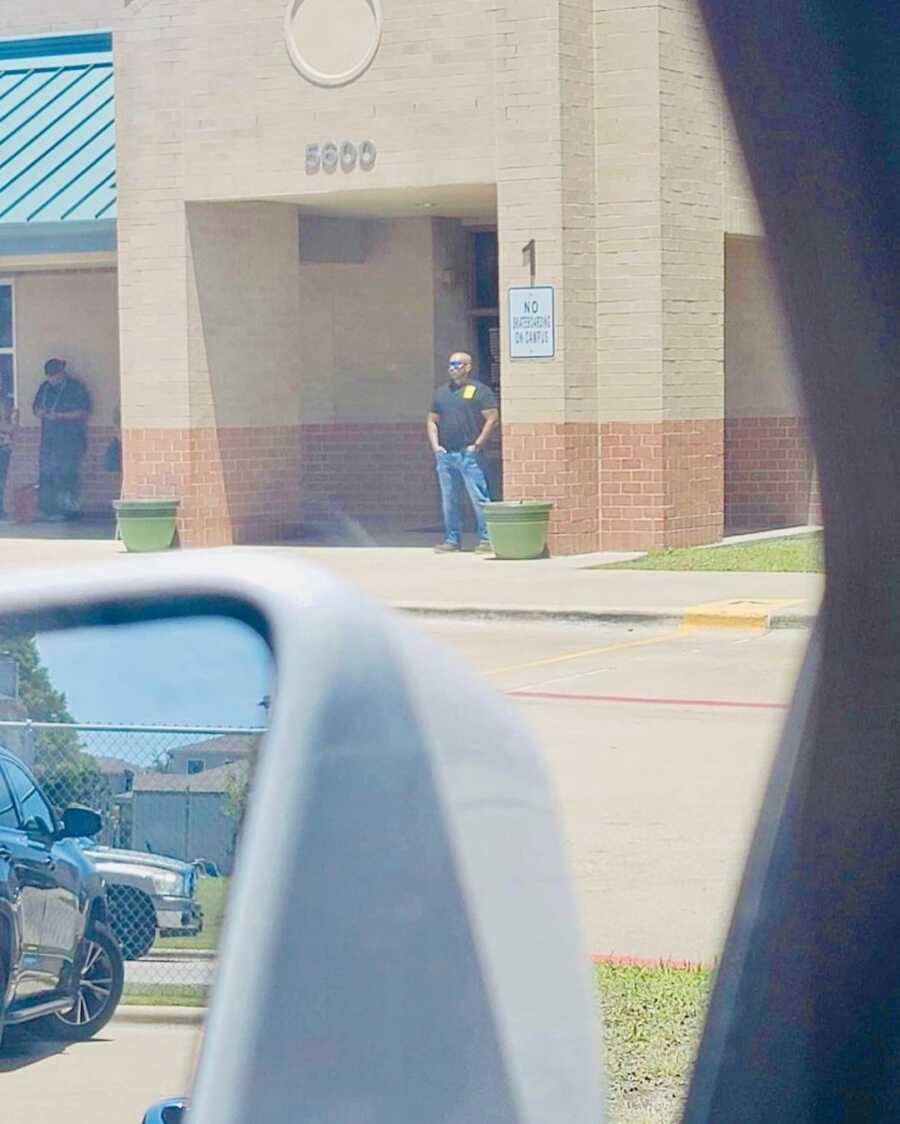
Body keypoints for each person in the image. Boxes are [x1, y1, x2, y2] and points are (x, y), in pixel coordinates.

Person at [426, 352, 499, 554]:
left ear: (468, 367)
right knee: (449, 499)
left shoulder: (479, 391)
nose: (453, 368)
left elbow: (492, 418)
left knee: (479, 497)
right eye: (450, 364)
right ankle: (452, 540)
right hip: (446, 455)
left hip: (469, 455)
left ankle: (487, 539)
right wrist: (436, 446)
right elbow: (432, 420)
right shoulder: (441, 393)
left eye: (458, 364)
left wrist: (477, 444)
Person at [32, 358, 92, 521]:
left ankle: (70, 512)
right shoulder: (45, 388)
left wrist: (60, 416)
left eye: (56, 374)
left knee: (68, 475)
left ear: (62, 372)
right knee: (47, 474)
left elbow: (83, 412)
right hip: (49, 441)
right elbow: (35, 408)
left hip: (70, 441)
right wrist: (41, 413)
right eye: (50, 376)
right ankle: (48, 510)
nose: (53, 379)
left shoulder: (75, 388)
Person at [0, 397, 19, 521]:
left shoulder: (3, 402)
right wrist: (13, 423)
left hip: (3, 447)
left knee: (1, 480)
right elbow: (6, 427)